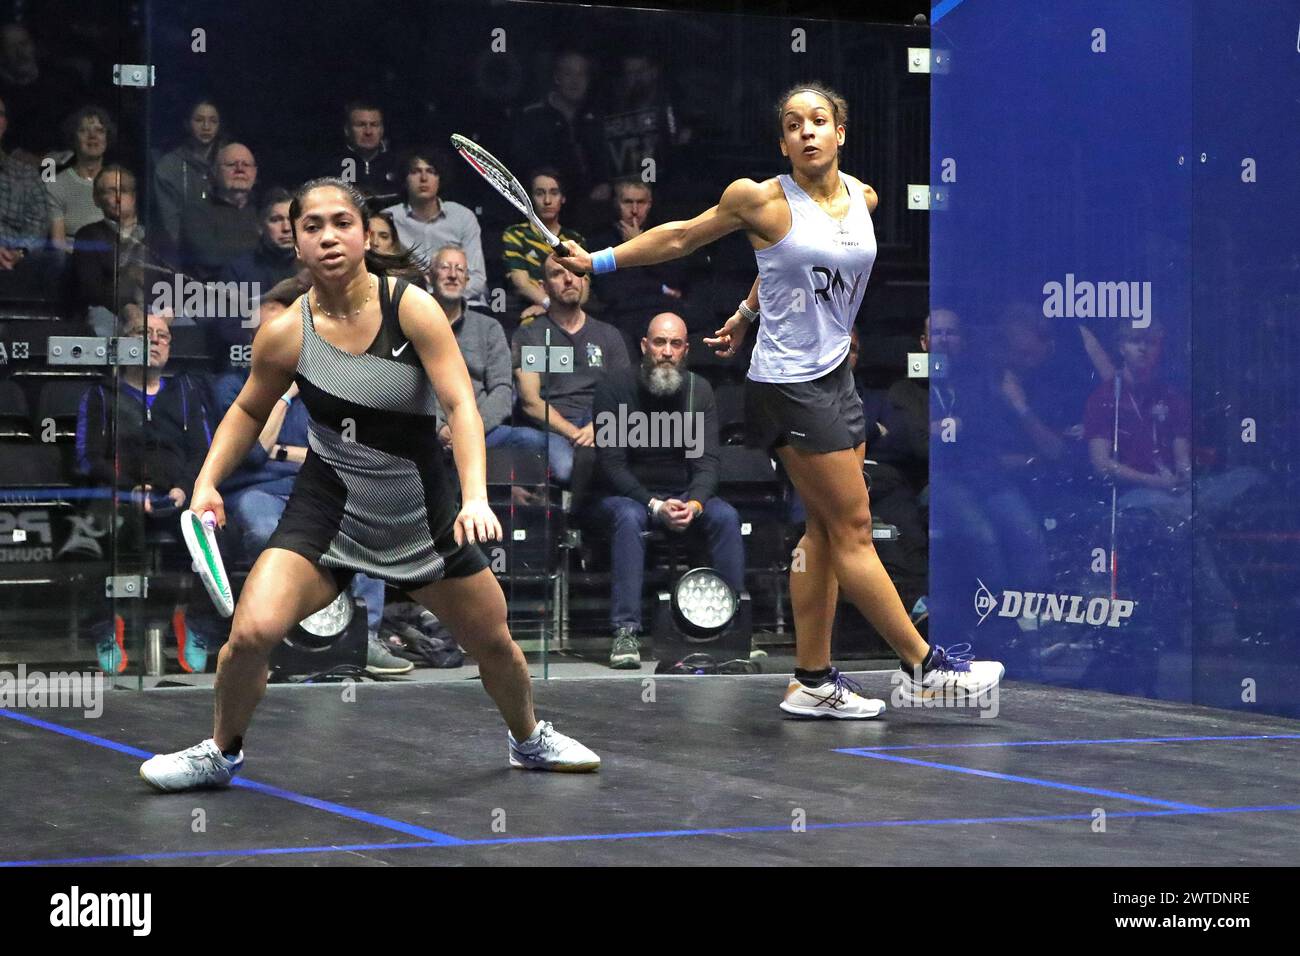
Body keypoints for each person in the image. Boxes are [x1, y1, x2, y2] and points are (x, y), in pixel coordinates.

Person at [554, 84, 1004, 717]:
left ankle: (813, 681)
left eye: (819, 121)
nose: (807, 132)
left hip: (836, 380)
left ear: (841, 132)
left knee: (824, 530)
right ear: (783, 141)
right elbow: (683, 237)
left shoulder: (864, 199)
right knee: (853, 529)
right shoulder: (758, 199)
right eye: (793, 125)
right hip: (787, 386)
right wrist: (596, 262)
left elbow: (789, 270)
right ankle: (925, 668)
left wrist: (743, 311)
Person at [139, 177, 599, 791]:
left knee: (493, 640)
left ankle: (528, 739)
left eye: (341, 223)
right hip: (329, 506)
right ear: (296, 244)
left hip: (421, 512)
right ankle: (222, 751)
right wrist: (206, 484)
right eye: (312, 227)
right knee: (249, 634)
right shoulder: (285, 331)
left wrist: (473, 497)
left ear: (362, 234)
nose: (328, 236)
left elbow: (462, 404)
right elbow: (248, 411)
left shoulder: (409, 306)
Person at [586, 312, 743, 668]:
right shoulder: (614, 388)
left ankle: (731, 626)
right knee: (628, 517)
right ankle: (626, 632)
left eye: (675, 344)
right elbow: (612, 465)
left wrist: (697, 504)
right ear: (645, 346)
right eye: (659, 342)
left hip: (683, 494)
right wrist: (654, 504)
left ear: (686, 350)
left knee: (726, 516)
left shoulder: (698, 390)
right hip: (625, 497)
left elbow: (707, 463)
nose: (667, 352)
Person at [76, 304, 215, 674]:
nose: (154, 341)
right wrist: (130, 488)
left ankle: (193, 623)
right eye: (144, 334)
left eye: (162, 336)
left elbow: (204, 451)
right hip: (120, 498)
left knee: (216, 535)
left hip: (177, 498)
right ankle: (108, 627)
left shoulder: (186, 391)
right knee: (89, 539)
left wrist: (185, 489)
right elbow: (88, 459)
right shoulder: (101, 395)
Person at [511, 257, 629, 484]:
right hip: (553, 429)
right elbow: (531, 403)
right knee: (566, 468)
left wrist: (596, 429)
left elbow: (624, 397)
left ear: (584, 280)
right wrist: (576, 434)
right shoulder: (531, 336)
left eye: (575, 272)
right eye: (557, 274)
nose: (568, 279)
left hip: (599, 424)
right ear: (543, 287)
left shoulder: (608, 335)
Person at [381, 147, 487, 301]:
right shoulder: (388, 219)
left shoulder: (463, 217)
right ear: (405, 179)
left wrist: (444, 298)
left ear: (440, 178)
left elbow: (477, 277)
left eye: (431, 171)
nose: (423, 178)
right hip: (409, 304)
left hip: (461, 301)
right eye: (415, 171)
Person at [504, 167, 585, 321]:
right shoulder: (515, 234)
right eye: (540, 193)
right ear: (530, 198)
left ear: (563, 198)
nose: (547, 201)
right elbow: (521, 283)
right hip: (528, 313)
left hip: (569, 314)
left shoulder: (575, 239)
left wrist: (551, 309)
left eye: (554, 193)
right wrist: (549, 304)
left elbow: (584, 290)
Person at [175, 142, 260, 281]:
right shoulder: (195, 211)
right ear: (214, 172)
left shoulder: (263, 209)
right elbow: (209, 258)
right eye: (231, 164)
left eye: (246, 165)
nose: (240, 169)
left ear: (255, 172)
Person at [71, 164, 145, 320]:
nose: (118, 198)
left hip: (156, 310)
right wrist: (127, 307)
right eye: (110, 192)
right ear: (97, 199)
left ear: (134, 196)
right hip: (109, 311)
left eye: (124, 191)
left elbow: (175, 281)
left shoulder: (157, 236)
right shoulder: (88, 236)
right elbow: (91, 288)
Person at [151, 98, 224, 253]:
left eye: (213, 121)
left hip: (227, 253)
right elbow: (170, 224)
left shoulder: (230, 161)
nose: (206, 127)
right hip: (185, 255)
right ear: (187, 124)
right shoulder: (169, 166)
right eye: (199, 120)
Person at [46, 105, 114, 251]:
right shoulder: (55, 185)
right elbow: (59, 246)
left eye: (100, 131)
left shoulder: (118, 182)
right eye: (83, 130)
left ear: (107, 138)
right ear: (73, 138)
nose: (92, 136)